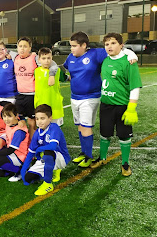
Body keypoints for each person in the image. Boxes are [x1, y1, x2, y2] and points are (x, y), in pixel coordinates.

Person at [63, 31, 137, 168]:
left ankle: (89, 157)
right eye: (71, 46)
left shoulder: (96, 54)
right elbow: (69, 73)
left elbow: (115, 50)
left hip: (91, 97)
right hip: (74, 97)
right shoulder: (70, 58)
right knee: (80, 126)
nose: (71, 49)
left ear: (84, 45)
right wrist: (63, 76)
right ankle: (84, 152)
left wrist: (131, 53)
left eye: (74, 46)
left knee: (86, 126)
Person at [90, 33, 142, 176]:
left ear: (121, 45)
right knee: (104, 134)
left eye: (113, 43)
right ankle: (102, 158)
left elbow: (135, 86)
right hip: (106, 105)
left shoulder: (129, 62)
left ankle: (125, 163)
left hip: (122, 106)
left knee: (124, 136)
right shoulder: (105, 59)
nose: (109, 46)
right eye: (107, 44)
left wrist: (131, 108)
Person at [21, 104, 71, 196]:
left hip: (61, 158)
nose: (39, 122)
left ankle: (48, 184)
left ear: (50, 118)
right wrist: (23, 172)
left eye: (42, 118)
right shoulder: (37, 133)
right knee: (29, 178)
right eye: (37, 119)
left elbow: (53, 146)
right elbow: (30, 153)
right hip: (45, 158)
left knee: (48, 152)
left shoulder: (54, 128)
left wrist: (39, 149)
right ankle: (51, 171)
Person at [14, 37, 58, 137]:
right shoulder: (15, 57)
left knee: (32, 122)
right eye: (20, 46)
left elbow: (52, 63)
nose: (22, 49)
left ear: (30, 48)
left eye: (25, 46)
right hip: (20, 95)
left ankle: (32, 144)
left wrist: (51, 75)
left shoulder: (34, 58)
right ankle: (22, 143)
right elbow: (0, 52)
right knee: (18, 120)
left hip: (32, 95)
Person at [0, 103, 30, 181]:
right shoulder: (11, 124)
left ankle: (21, 171)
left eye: (9, 116)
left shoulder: (19, 131)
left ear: (16, 116)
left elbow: (11, 150)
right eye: (4, 116)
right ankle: (15, 169)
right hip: (13, 154)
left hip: (20, 156)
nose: (6, 119)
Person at [34, 47, 64, 126]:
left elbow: (64, 78)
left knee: (56, 131)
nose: (46, 61)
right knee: (42, 130)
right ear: (39, 59)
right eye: (43, 58)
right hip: (41, 106)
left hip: (55, 106)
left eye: (48, 58)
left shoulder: (57, 71)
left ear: (52, 58)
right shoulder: (36, 71)